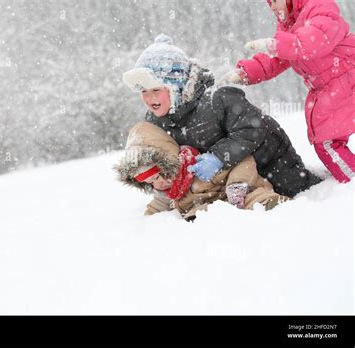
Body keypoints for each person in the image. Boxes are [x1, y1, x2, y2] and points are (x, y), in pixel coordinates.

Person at [122, 34, 321, 198]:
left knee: (299, 192)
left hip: (270, 160)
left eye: (156, 89)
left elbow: (252, 127)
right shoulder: (156, 120)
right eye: (144, 92)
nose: (150, 98)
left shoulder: (217, 99)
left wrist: (217, 157)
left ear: (176, 87)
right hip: (230, 179)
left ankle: (332, 193)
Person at [221, 0, 355, 183]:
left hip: (344, 77)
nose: (273, 7)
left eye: (276, 1)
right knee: (327, 140)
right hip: (333, 84)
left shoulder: (319, 6)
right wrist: (246, 72)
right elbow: (279, 58)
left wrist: (274, 45)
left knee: (328, 142)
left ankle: (352, 180)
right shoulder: (290, 23)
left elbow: (312, 41)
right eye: (270, 3)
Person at [114, 121, 289, 221]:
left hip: (240, 196)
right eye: (151, 183)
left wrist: (237, 185)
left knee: (256, 200)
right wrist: (146, 221)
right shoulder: (168, 192)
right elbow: (155, 208)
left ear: (169, 162)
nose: (158, 183)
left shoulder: (200, 165)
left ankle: (277, 207)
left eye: (159, 175)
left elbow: (243, 160)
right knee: (199, 214)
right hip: (214, 213)